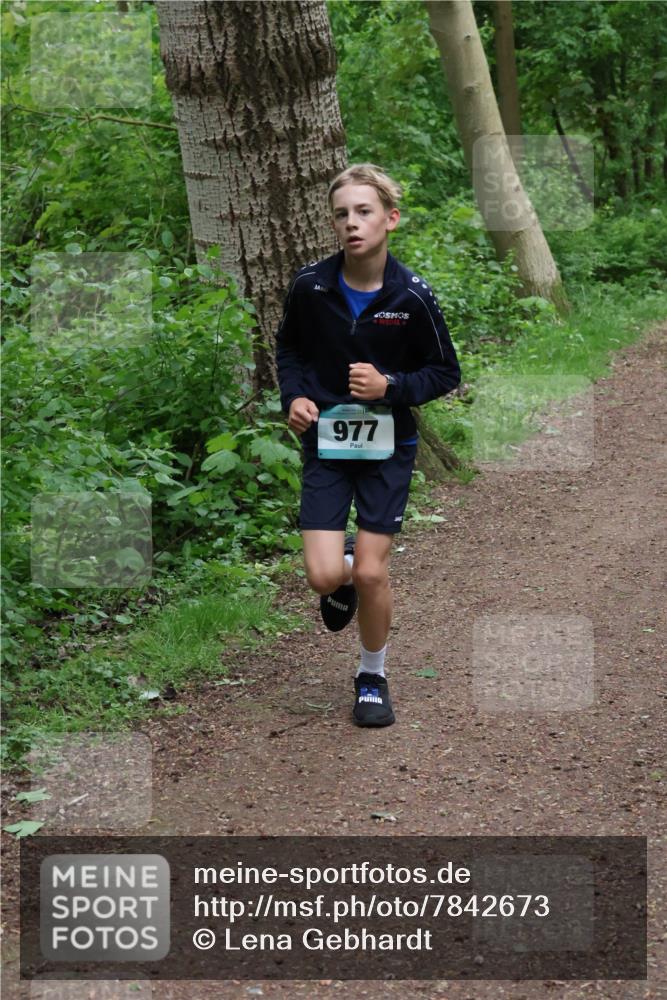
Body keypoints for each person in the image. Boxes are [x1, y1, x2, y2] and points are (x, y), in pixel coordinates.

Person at [275, 163, 461, 727]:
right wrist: (295, 398)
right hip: (327, 445)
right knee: (323, 576)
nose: (352, 224)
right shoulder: (310, 287)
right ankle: (345, 572)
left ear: (390, 219)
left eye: (364, 212)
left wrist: (392, 387)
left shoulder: (412, 296)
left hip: (387, 448)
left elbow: (444, 372)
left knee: (375, 574)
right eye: (342, 214)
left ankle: (372, 675)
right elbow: (290, 352)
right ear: (332, 224)